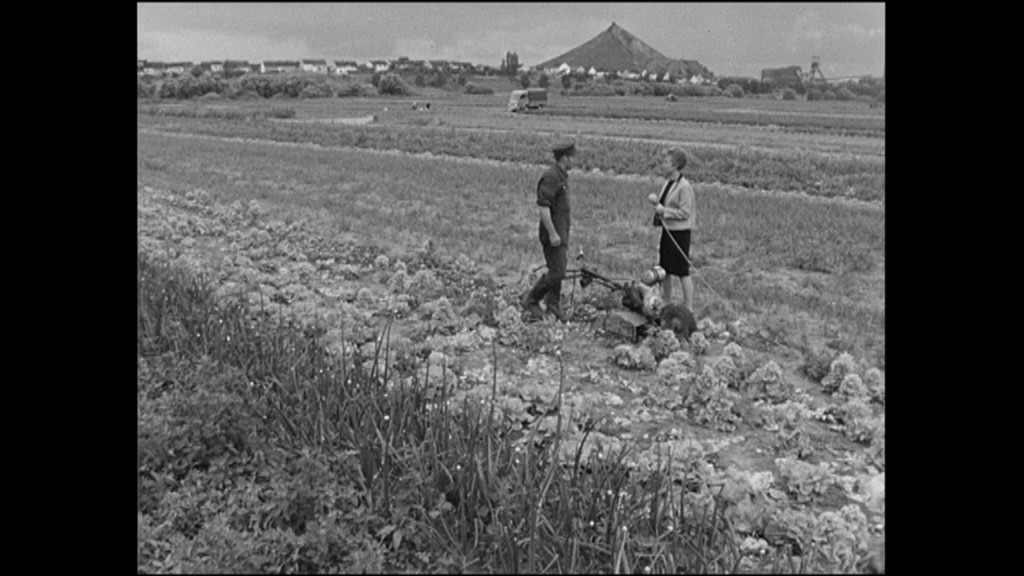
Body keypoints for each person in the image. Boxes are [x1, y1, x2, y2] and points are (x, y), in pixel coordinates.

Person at [522, 141, 576, 322]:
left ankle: (553, 304)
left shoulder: (561, 176)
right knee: (557, 272)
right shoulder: (552, 177)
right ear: (565, 158)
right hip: (553, 234)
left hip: (560, 233)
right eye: (572, 158)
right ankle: (532, 300)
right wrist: (553, 233)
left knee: (558, 267)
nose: (574, 161)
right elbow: (543, 208)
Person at [649, 147, 695, 312]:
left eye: (667, 162)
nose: (663, 165)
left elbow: (685, 212)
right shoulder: (668, 182)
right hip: (668, 231)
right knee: (665, 269)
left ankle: (688, 307)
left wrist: (664, 212)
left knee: (682, 271)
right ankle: (667, 303)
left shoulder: (684, 187)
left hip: (680, 233)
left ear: (675, 165)